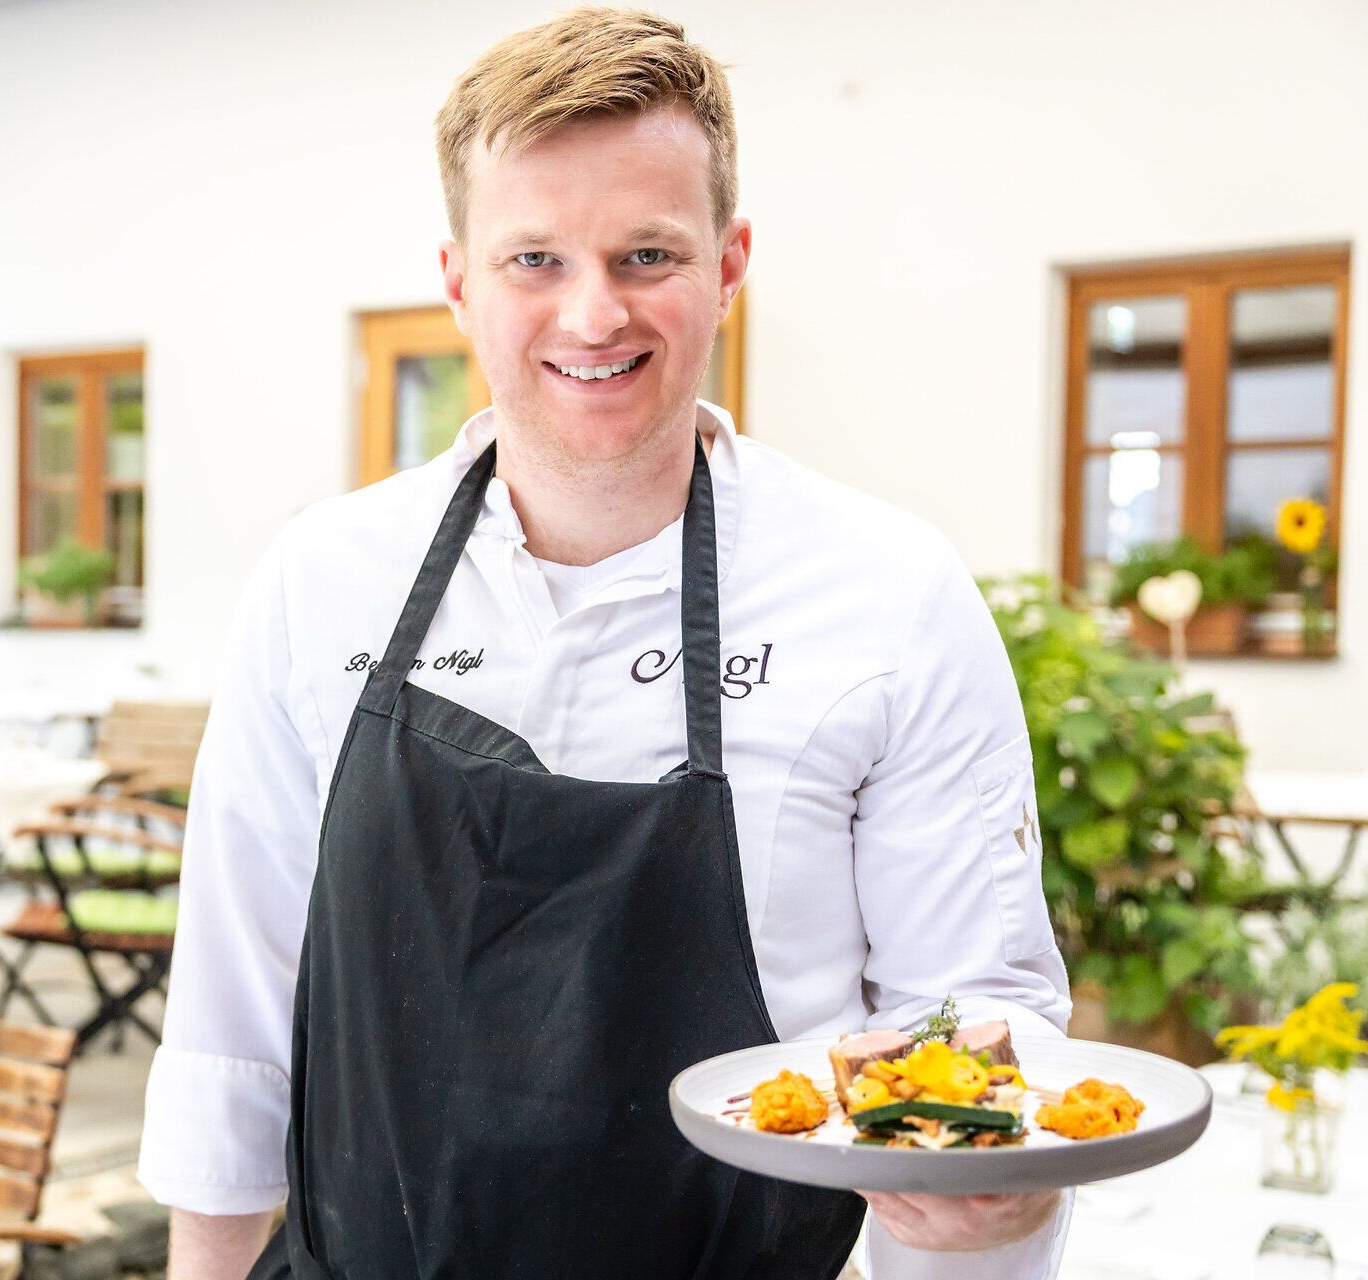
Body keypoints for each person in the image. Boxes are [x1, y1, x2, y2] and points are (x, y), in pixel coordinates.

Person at [138, 9, 1073, 1278]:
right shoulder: (322, 582)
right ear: (459, 279)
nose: (592, 313)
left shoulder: (890, 596)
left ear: (730, 265)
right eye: (534, 258)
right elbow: (234, 1014)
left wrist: (1000, 1195)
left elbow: (965, 1017)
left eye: (647, 253)